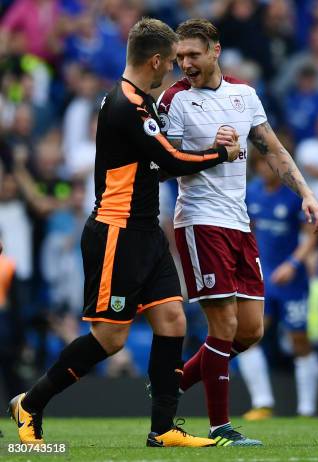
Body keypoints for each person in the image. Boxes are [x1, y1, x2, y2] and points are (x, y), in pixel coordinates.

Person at [8, 18, 239, 447]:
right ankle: (31, 403)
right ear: (155, 61)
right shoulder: (125, 105)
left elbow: (161, 163)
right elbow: (171, 159)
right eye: (170, 62)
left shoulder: (138, 102)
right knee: (110, 338)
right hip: (117, 231)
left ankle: (163, 428)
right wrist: (221, 152)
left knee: (171, 319)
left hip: (146, 232)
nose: (173, 69)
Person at [157, 18, 318, 446]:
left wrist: (306, 192)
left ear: (215, 50)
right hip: (199, 220)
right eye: (180, 57)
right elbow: (163, 164)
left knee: (251, 330)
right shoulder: (174, 100)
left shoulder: (243, 94)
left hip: (239, 222)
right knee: (224, 326)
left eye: (193, 54)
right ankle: (220, 428)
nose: (186, 64)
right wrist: (213, 150)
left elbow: (272, 148)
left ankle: (172, 384)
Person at [238, 152, 318, 419]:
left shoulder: (295, 194)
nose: (265, 168)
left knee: (299, 339)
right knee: (249, 336)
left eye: (270, 163)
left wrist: (293, 264)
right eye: (261, 163)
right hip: (261, 278)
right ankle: (262, 403)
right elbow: (246, 230)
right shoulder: (251, 192)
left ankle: (306, 408)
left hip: (291, 280)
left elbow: (311, 236)